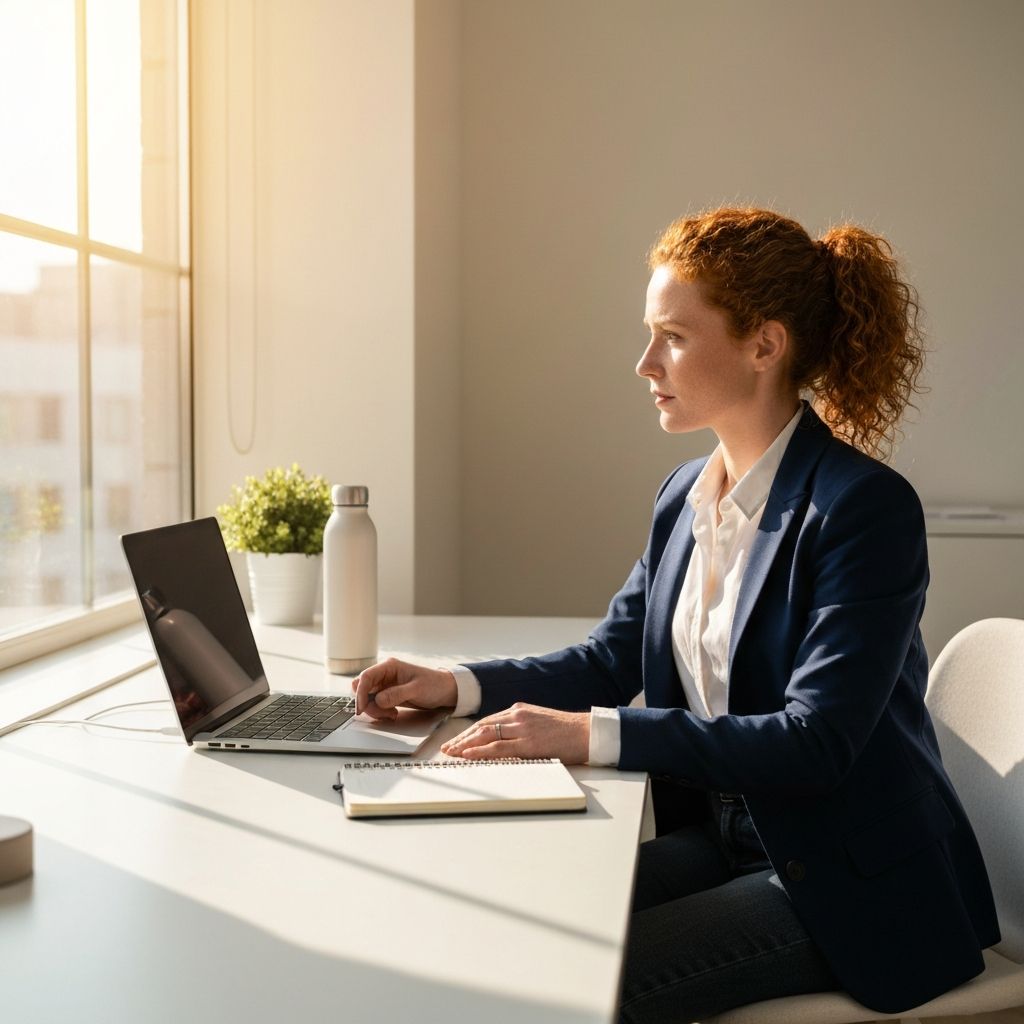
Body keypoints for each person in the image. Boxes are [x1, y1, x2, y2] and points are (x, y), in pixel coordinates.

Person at [352, 207, 999, 1021]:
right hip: (734, 843)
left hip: (846, 882)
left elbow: (817, 742)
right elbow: (609, 659)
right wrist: (454, 685)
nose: (644, 362)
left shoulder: (863, 511)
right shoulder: (684, 497)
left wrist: (589, 734)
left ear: (765, 346)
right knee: (504, 932)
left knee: (563, 993)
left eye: (674, 337)